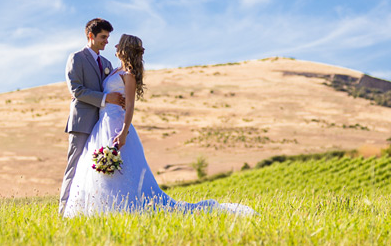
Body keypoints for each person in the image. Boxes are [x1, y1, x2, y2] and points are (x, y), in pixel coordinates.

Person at [61, 34, 255, 217]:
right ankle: (102, 208)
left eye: (119, 43)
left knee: (121, 168)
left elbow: (129, 106)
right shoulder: (113, 70)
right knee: (99, 168)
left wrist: (123, 132)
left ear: (125, 48)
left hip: (116, 124)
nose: (115, 45)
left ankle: (126, 208)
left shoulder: (128, 75)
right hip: (102, 124)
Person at [58, 18, 126, 215]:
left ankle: (90, 210)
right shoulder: (76, 58)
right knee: (75, 167)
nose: (106, 41)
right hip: (81, 123)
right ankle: (63, 212)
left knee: (95, 170)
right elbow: (77, 90)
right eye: (103, 37)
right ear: (91, 36)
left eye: (107, 37)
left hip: (101, 125)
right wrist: (106, 98)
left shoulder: (106, 63)